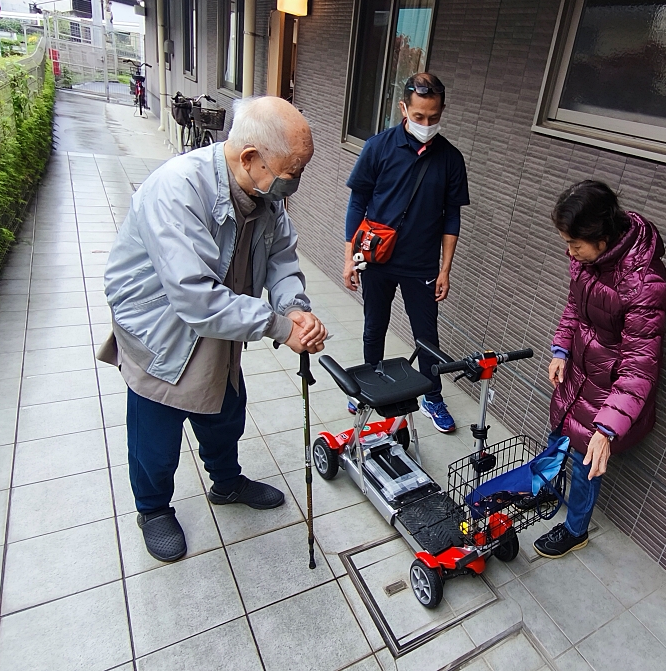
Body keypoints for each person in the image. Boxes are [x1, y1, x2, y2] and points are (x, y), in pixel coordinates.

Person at [98, 96, 328, 563]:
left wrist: (295, 306)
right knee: (155, 442)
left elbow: (282, 258)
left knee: (226, 415)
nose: (295, 184)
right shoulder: (178, 190)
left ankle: (226, 483)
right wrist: (278, 326)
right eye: (293, 171)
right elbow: (195, 297)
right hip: (162, 334)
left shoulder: (266, 194)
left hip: (220, 330)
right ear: (250, 158)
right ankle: (153, 509)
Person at [534, 180, 666, 558]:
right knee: (559, 433)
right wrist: (561, 348)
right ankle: (544, 491)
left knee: (584, 459)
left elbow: (640, 367)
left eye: (575, 244)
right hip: (578, 372)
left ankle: (576, 530)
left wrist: (607, 429)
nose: (569, 252)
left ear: (603, 237)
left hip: (610, 389)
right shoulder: (586, 260)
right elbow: (575, 307)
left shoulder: (646, 283)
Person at [342, 72, 469, 433]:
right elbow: (357, 204)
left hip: (422, 264)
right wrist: (349, 257)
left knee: (427, 336)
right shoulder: (378, 147)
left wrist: (445, 269)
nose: (426, 124)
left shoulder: (450, 159)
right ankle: (368, 384)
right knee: (374, 327)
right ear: (403, 108)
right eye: (418, 117)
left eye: (433, 117)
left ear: (442, 111)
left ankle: (432, 396)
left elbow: (452, 218)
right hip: (378, 259)